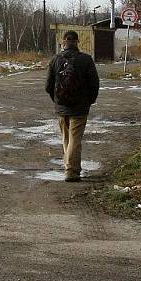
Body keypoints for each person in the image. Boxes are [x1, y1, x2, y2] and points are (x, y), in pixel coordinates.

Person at [46, 31, 100, 182]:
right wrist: (90, 100)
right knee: (75, 139)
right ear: (77, 42)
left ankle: (69, 166)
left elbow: (48, 86)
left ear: (64, 42)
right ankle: (71, 171)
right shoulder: (86, 60)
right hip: (80, 108)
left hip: (62, 107)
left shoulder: (55, 60)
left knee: (66, 138)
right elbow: (94, 84)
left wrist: (57, 100)